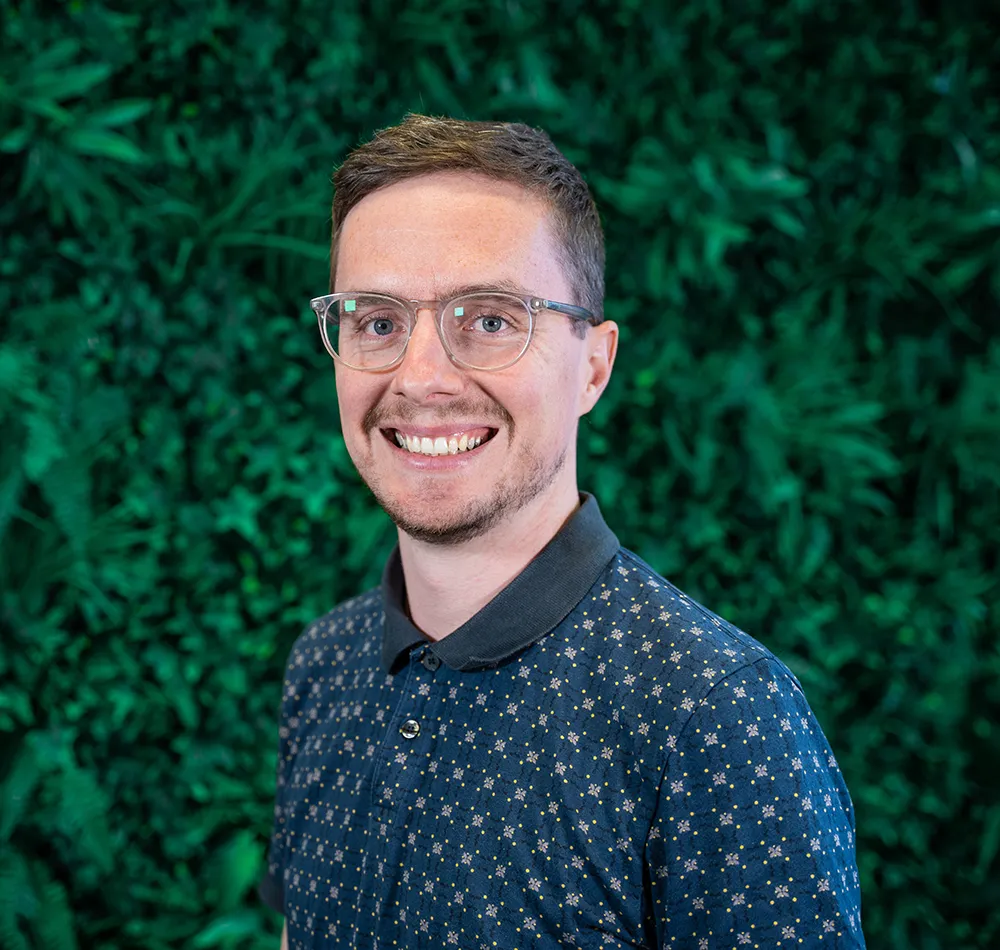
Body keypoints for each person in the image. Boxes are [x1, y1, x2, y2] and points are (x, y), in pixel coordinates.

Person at [260, 114, 865, 949]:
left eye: (492, 319)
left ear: (594, 365)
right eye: (377, 321)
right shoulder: (324, 665)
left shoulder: (713, 716)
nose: (423, 377)